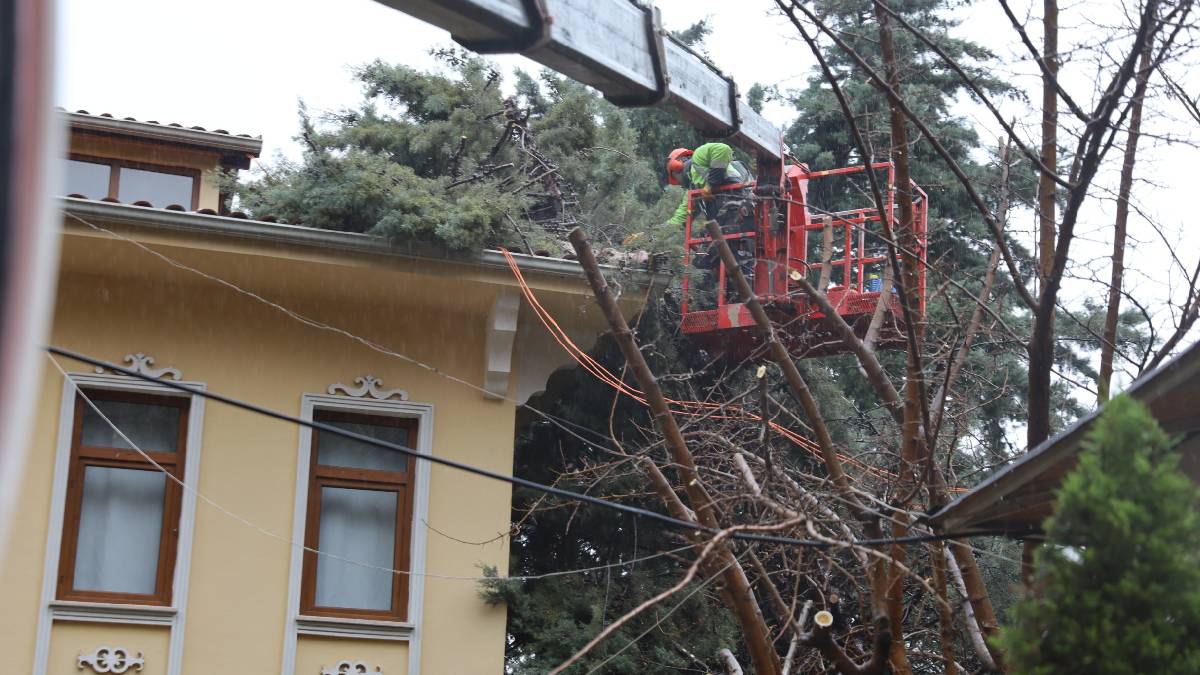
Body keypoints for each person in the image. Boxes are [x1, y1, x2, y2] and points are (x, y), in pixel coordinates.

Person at [665, 142, 740, 228]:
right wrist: (661, 231)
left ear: (676, 166)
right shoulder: (693, 189)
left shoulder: (698, 156)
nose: (679, 183)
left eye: (675, 177)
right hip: (725, 216)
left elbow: (723, 149)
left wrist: (710, 185)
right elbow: (681, 216)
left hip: (737, 197)